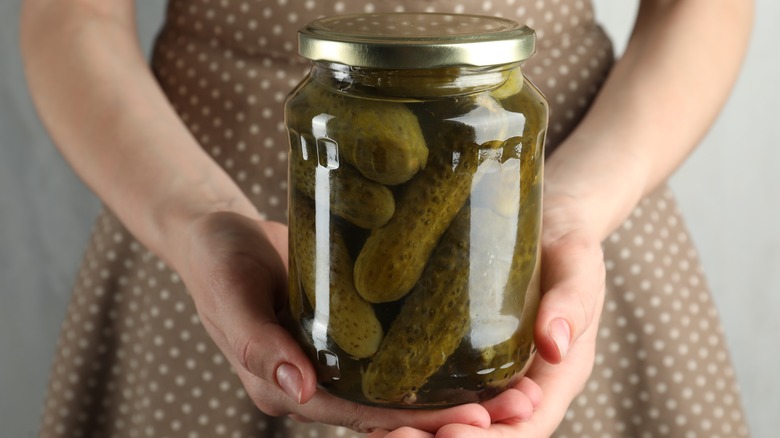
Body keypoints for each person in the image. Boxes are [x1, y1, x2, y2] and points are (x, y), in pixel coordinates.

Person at [21, 0, 753, 436]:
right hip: (183, 188)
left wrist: (569, 213)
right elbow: (69, 13)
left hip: (584, 186)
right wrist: (197, 219)